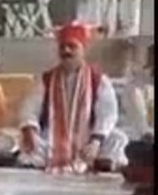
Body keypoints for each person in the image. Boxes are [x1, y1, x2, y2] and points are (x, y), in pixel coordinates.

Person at [19, 22, 128, 173]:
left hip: (88, 136)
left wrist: (96, 141)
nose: (66, 51)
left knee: (118, 138)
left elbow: (107, 113)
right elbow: (30, 107)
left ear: (83, 50)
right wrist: (30, 131)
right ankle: (90, 161)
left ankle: (101, 160)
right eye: (62, 47)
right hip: (53, 137)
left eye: (72, 46)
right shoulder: (47, 79)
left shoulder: (98, 79)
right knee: (30, 143)